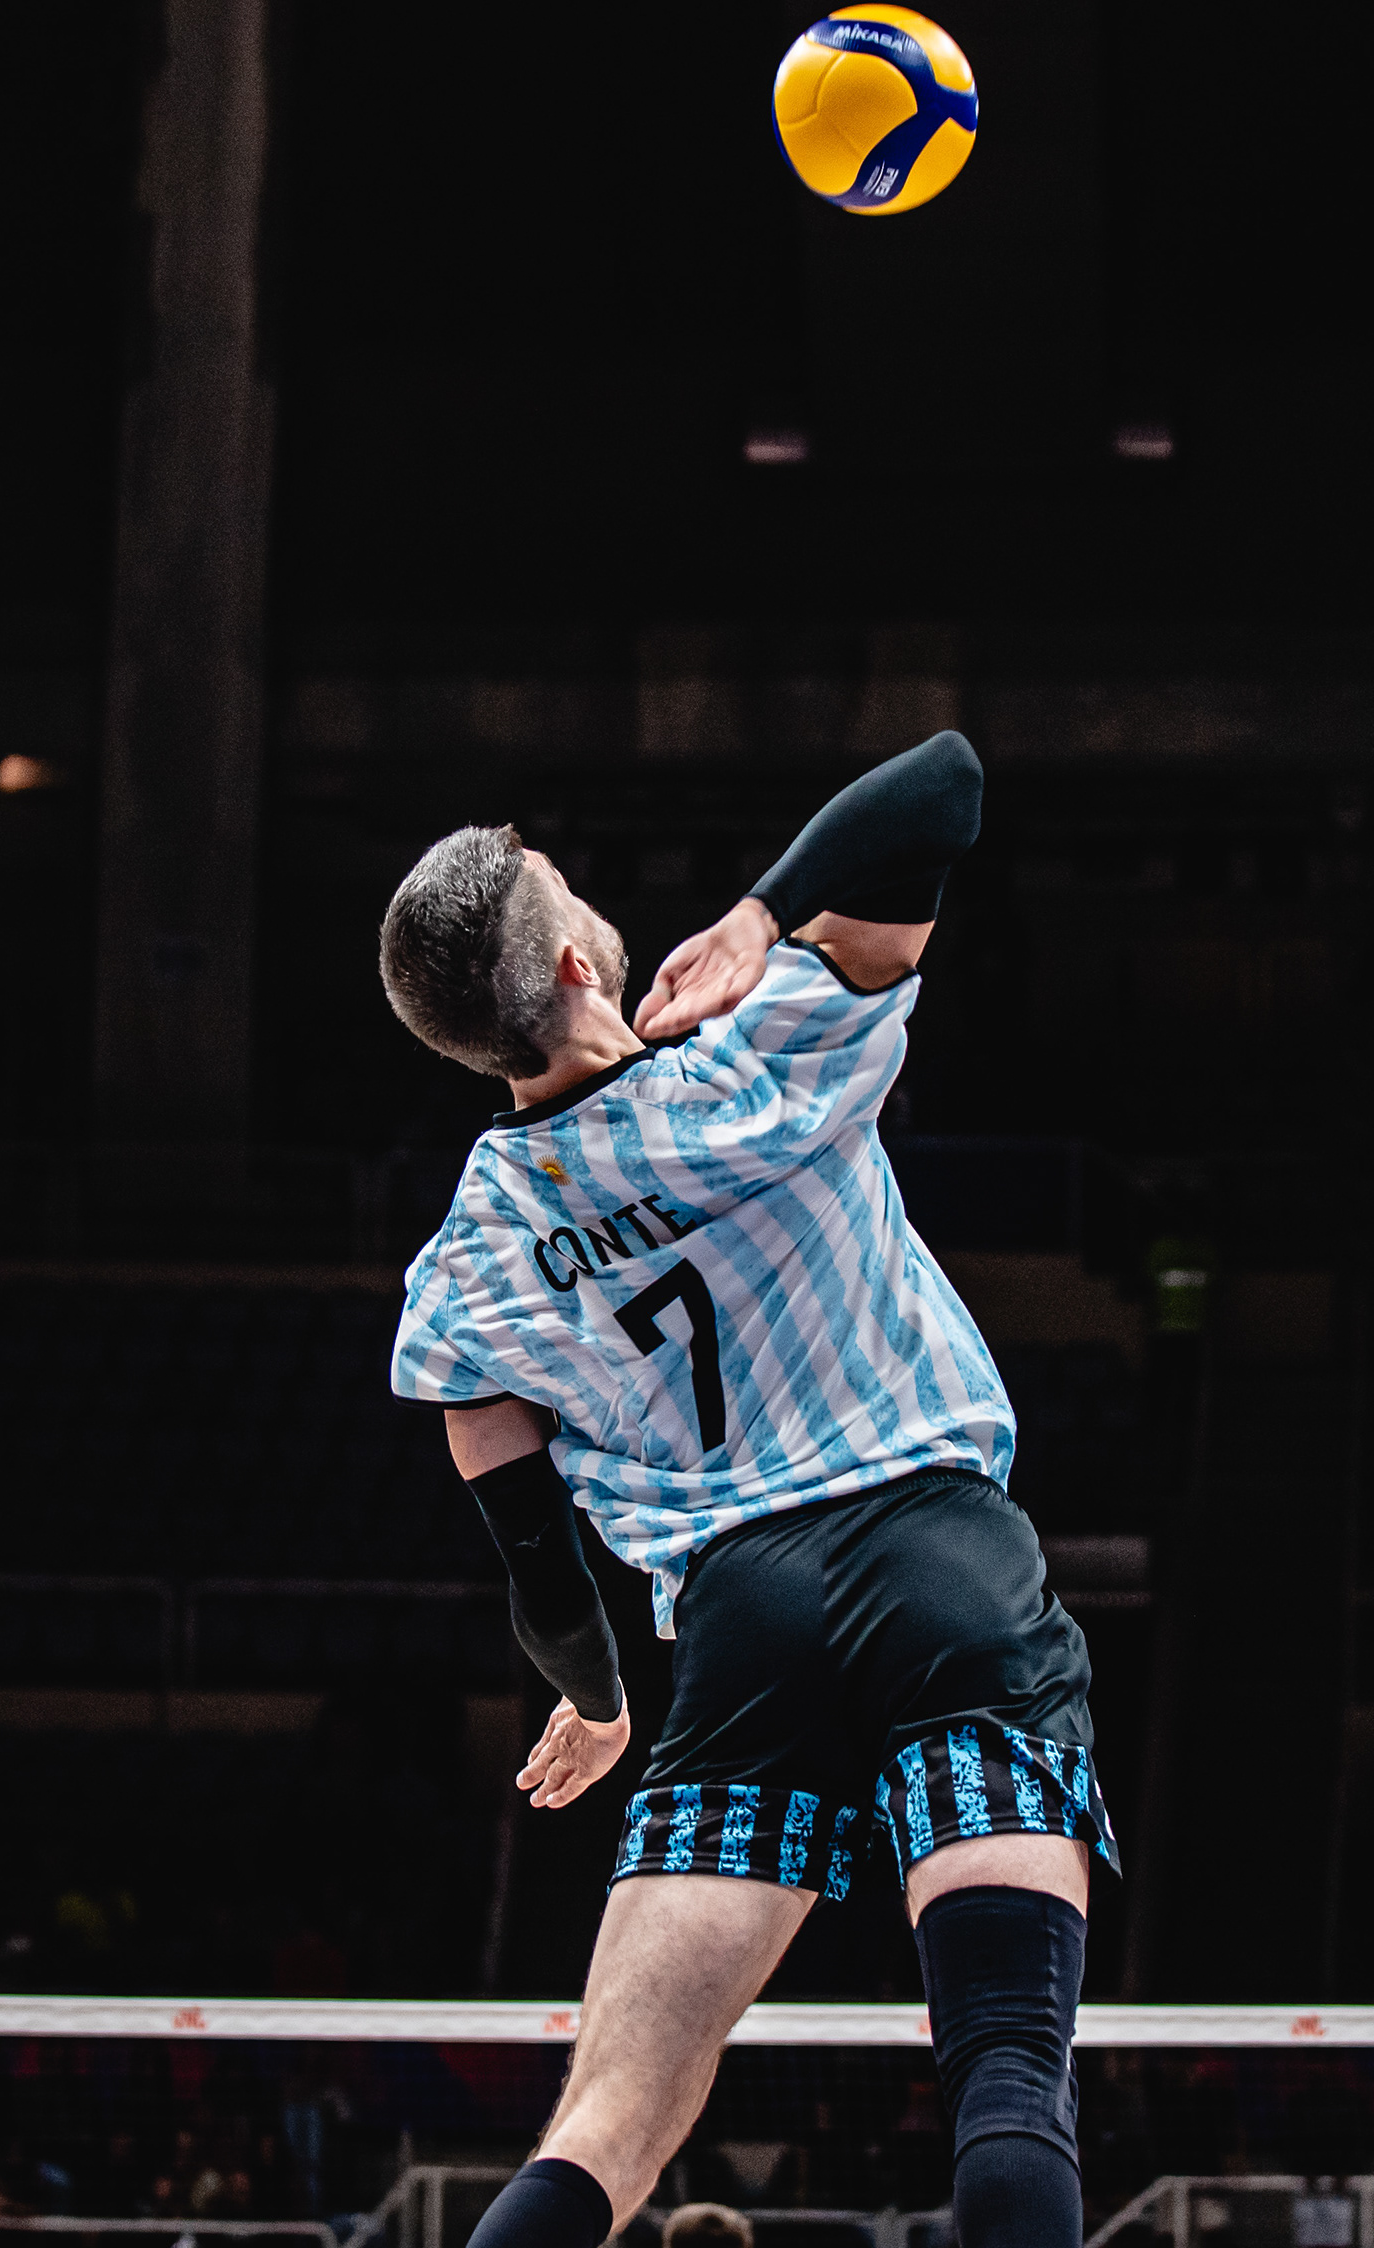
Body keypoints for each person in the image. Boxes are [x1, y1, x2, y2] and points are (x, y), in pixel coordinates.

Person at [382, 733, 1118, 2248]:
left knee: (608, 2127)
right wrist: (763, 915)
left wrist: (596, 1702)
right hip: (943, 1563)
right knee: (1005, 2073)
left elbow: (539, 1566)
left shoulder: (468, 1272)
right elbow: (945, 782)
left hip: (740, 1624)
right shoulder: (759, 1056)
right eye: (567, 886)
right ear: (578, 961)